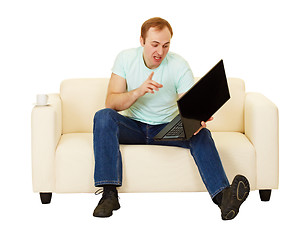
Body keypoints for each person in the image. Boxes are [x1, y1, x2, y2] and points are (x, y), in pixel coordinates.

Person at [93, 17, 250, 220]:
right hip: (133, 127)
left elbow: (189, 104)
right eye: (155, 44)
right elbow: (111, 103)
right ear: (142, 41)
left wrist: (197, 117)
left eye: (166, 45)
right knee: (103, 116)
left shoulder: (179, 65)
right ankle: (109, 195)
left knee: (201, 134)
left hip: (166, 129)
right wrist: (137, 92)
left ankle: (223, 198)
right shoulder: (125, 59)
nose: (160, 52)